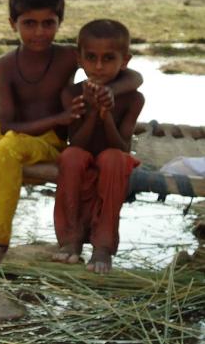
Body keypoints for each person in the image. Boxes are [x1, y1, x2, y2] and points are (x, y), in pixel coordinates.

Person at [0, 0, 143, 272]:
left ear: (59, 22)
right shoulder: (3, 65)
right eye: (29, 23)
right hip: (16, 130)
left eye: (48, 23)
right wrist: (61, 117)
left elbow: (133, 77)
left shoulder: (69, 55)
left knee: (8, 150)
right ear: (13, 23)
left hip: (47, 142)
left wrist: (110, 93)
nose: (39, 32)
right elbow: (9, 124)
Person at [53, 19, 145, 274]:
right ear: (79, 58)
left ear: (124, 60)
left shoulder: (134, 98)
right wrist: (92, 112)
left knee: (113, 159)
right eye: (91, 57)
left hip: (114, 156)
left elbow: (123, 146)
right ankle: (70, 240)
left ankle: (103, 246)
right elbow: (76, 142)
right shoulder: (71, 95)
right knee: (71, 156)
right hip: (81, 154)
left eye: (108, 58)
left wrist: (106, 115)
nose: (98, 66)